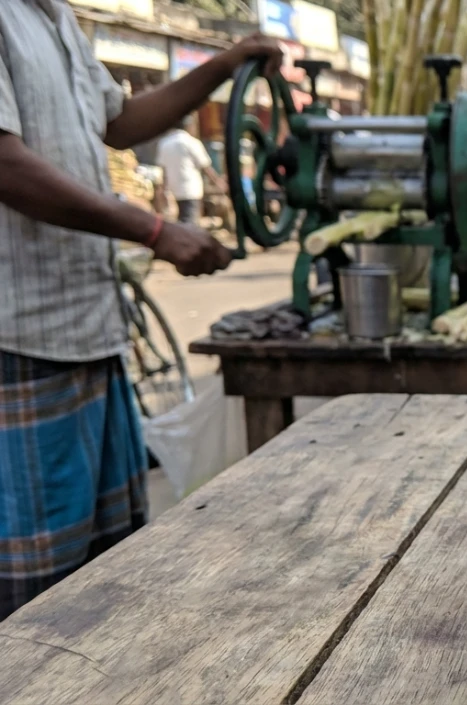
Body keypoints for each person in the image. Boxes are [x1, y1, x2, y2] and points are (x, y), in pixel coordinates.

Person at [0, 1, 283, 619]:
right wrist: (156, 230)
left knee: (106, 570)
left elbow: (121, 121)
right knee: (36, 592)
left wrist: (224, 65)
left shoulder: (55, 17)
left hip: (90, 328)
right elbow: (4, 163)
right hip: (21, 339)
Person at [156, 115, 223, 225]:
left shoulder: (164, 143)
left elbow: (164, 171)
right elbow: (205, 166)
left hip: (173, 189)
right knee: (189, 221)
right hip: (190, 189)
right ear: (188, 126)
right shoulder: (191, 142)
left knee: (182, 220)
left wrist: (163, 189)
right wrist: (217, 182)